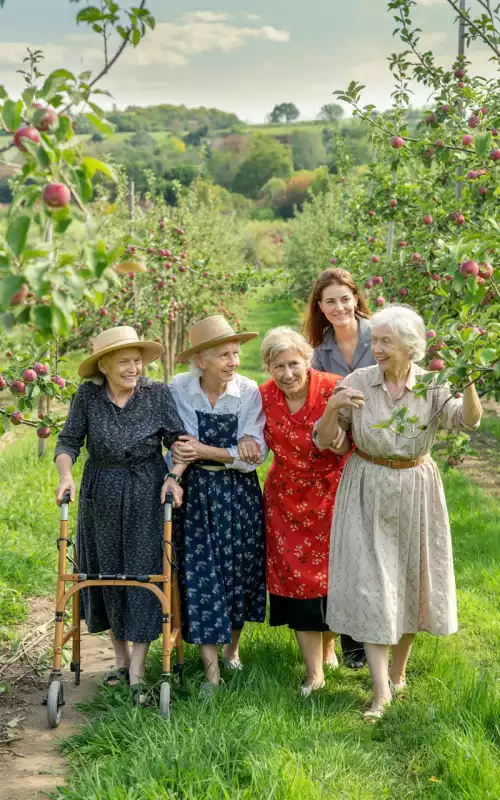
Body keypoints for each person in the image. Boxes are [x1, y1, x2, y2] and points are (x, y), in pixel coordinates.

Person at [314, 305, 482, 719]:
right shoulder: (358, 382)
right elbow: (324, 441)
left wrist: (470, 384)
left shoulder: (433, 387)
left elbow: (468, 422)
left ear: (412, 347)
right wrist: (333, 407)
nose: (378, 348)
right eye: (376, 340)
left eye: (387, 341)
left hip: (415, 488)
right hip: (367, 486)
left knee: (411, 581)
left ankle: (398, 674)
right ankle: (380, 692)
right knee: (373, 584)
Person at [55, 326, 186, 706]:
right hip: (102, 490)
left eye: (138, 361)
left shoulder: (157, 394)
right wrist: (66, 474)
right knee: (107, 571)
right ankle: (120, 659)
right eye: (125, 361)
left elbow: (177, 441)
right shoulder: (88, 396)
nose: (135, 368)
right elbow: (67, 440)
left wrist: (174, 477)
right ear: (105, 365)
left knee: (145, 570)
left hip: (147, 489)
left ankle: (140, 670)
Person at [168, 315, 267, 692]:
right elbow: (178, 446)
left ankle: (232, 651)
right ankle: (210, 673)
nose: (234, 362)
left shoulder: (247, 392)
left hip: (238, 494)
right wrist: (223, 452)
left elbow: (251, 457)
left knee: (239, 571)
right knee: (201, 573)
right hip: (195, 492)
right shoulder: (179, 388)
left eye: (236, 353)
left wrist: (208, 451)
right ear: (202, 360)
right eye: (224, 355)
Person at [259, 327, 349, 696]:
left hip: (332, 494)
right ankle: (314, 672)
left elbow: (346, 446)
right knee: (297, 583)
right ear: (267, 366)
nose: (287, 373)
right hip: (285, 500)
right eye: (277, 366)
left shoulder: (334, 387)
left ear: (307, 360)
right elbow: (248, 433)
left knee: (333, 579)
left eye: (293, 363)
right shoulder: (262, 396)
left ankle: (329, 646)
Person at [304, 267, 374, 668]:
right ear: (320, 307)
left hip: (380, 449)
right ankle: (354, 638)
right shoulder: (319, 354)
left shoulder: (378, 335)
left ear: (356, 298)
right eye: (329, 301)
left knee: (373, 545)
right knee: (346, 546)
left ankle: (381, 629)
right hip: (340, 455)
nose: (339, 307)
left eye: (344, 298)